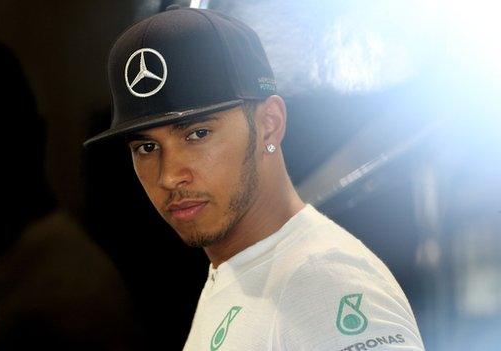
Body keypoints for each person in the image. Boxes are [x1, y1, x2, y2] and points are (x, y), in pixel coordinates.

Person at [83, 5, 425, 351]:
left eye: (198, 134)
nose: (170, 175)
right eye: (146, 147)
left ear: (269, 125)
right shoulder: (239, 269)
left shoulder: (323, 284)